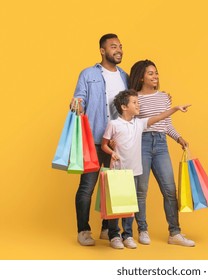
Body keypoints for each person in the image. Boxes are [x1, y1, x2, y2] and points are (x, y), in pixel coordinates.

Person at [101, 89, 191, 249]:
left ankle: (127, 235)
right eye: (135, 102)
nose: (138, 105)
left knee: (130, 203)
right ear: (124, 106)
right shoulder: (114, 124)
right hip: (118, 171)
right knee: (116, 204)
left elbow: (160, 117)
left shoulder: (139, 123)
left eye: (138, 102)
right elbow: (104, 144)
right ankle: (114, 235)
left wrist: (175, 109)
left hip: (134, 170)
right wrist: (112, 152)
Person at [128, 59, 195, 247]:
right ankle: (142, 230)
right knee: (141, 191)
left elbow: (166, 124)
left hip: (161, 144)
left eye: (156, 72)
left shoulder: (164, 97)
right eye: (150, 73)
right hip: (141, 144)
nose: (155, 76)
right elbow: (131, 124)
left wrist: (179, 138)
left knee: (170, 190)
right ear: (141, 77)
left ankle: (175, 233)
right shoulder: (134, 98)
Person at [72, 33, 128, 246]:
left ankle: (108, 229)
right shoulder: (88, 74)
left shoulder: (125, 76)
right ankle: (83, 230)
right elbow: (80, 97)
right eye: (113, 46)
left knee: (113, 186)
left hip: (117, 142)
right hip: (95, 138)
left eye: (120, 46)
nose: (118, 50)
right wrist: (76, 102)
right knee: (88, 186)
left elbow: (132, 103)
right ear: (102, 51)